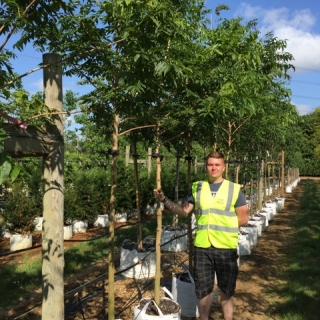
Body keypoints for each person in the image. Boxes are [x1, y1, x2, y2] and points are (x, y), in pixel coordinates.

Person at [153, 151, 249, 320]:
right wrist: (164, 200)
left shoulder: (234, 189)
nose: (214, 168)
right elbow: (183, 211)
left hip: (226, 248)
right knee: (203, 290)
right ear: (206, 167)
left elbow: (243, 218)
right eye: (210, 164)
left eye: (217, 165)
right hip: (202, 247)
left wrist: (223, 229)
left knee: (226, 290)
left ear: (224, 167)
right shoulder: (197, 187)